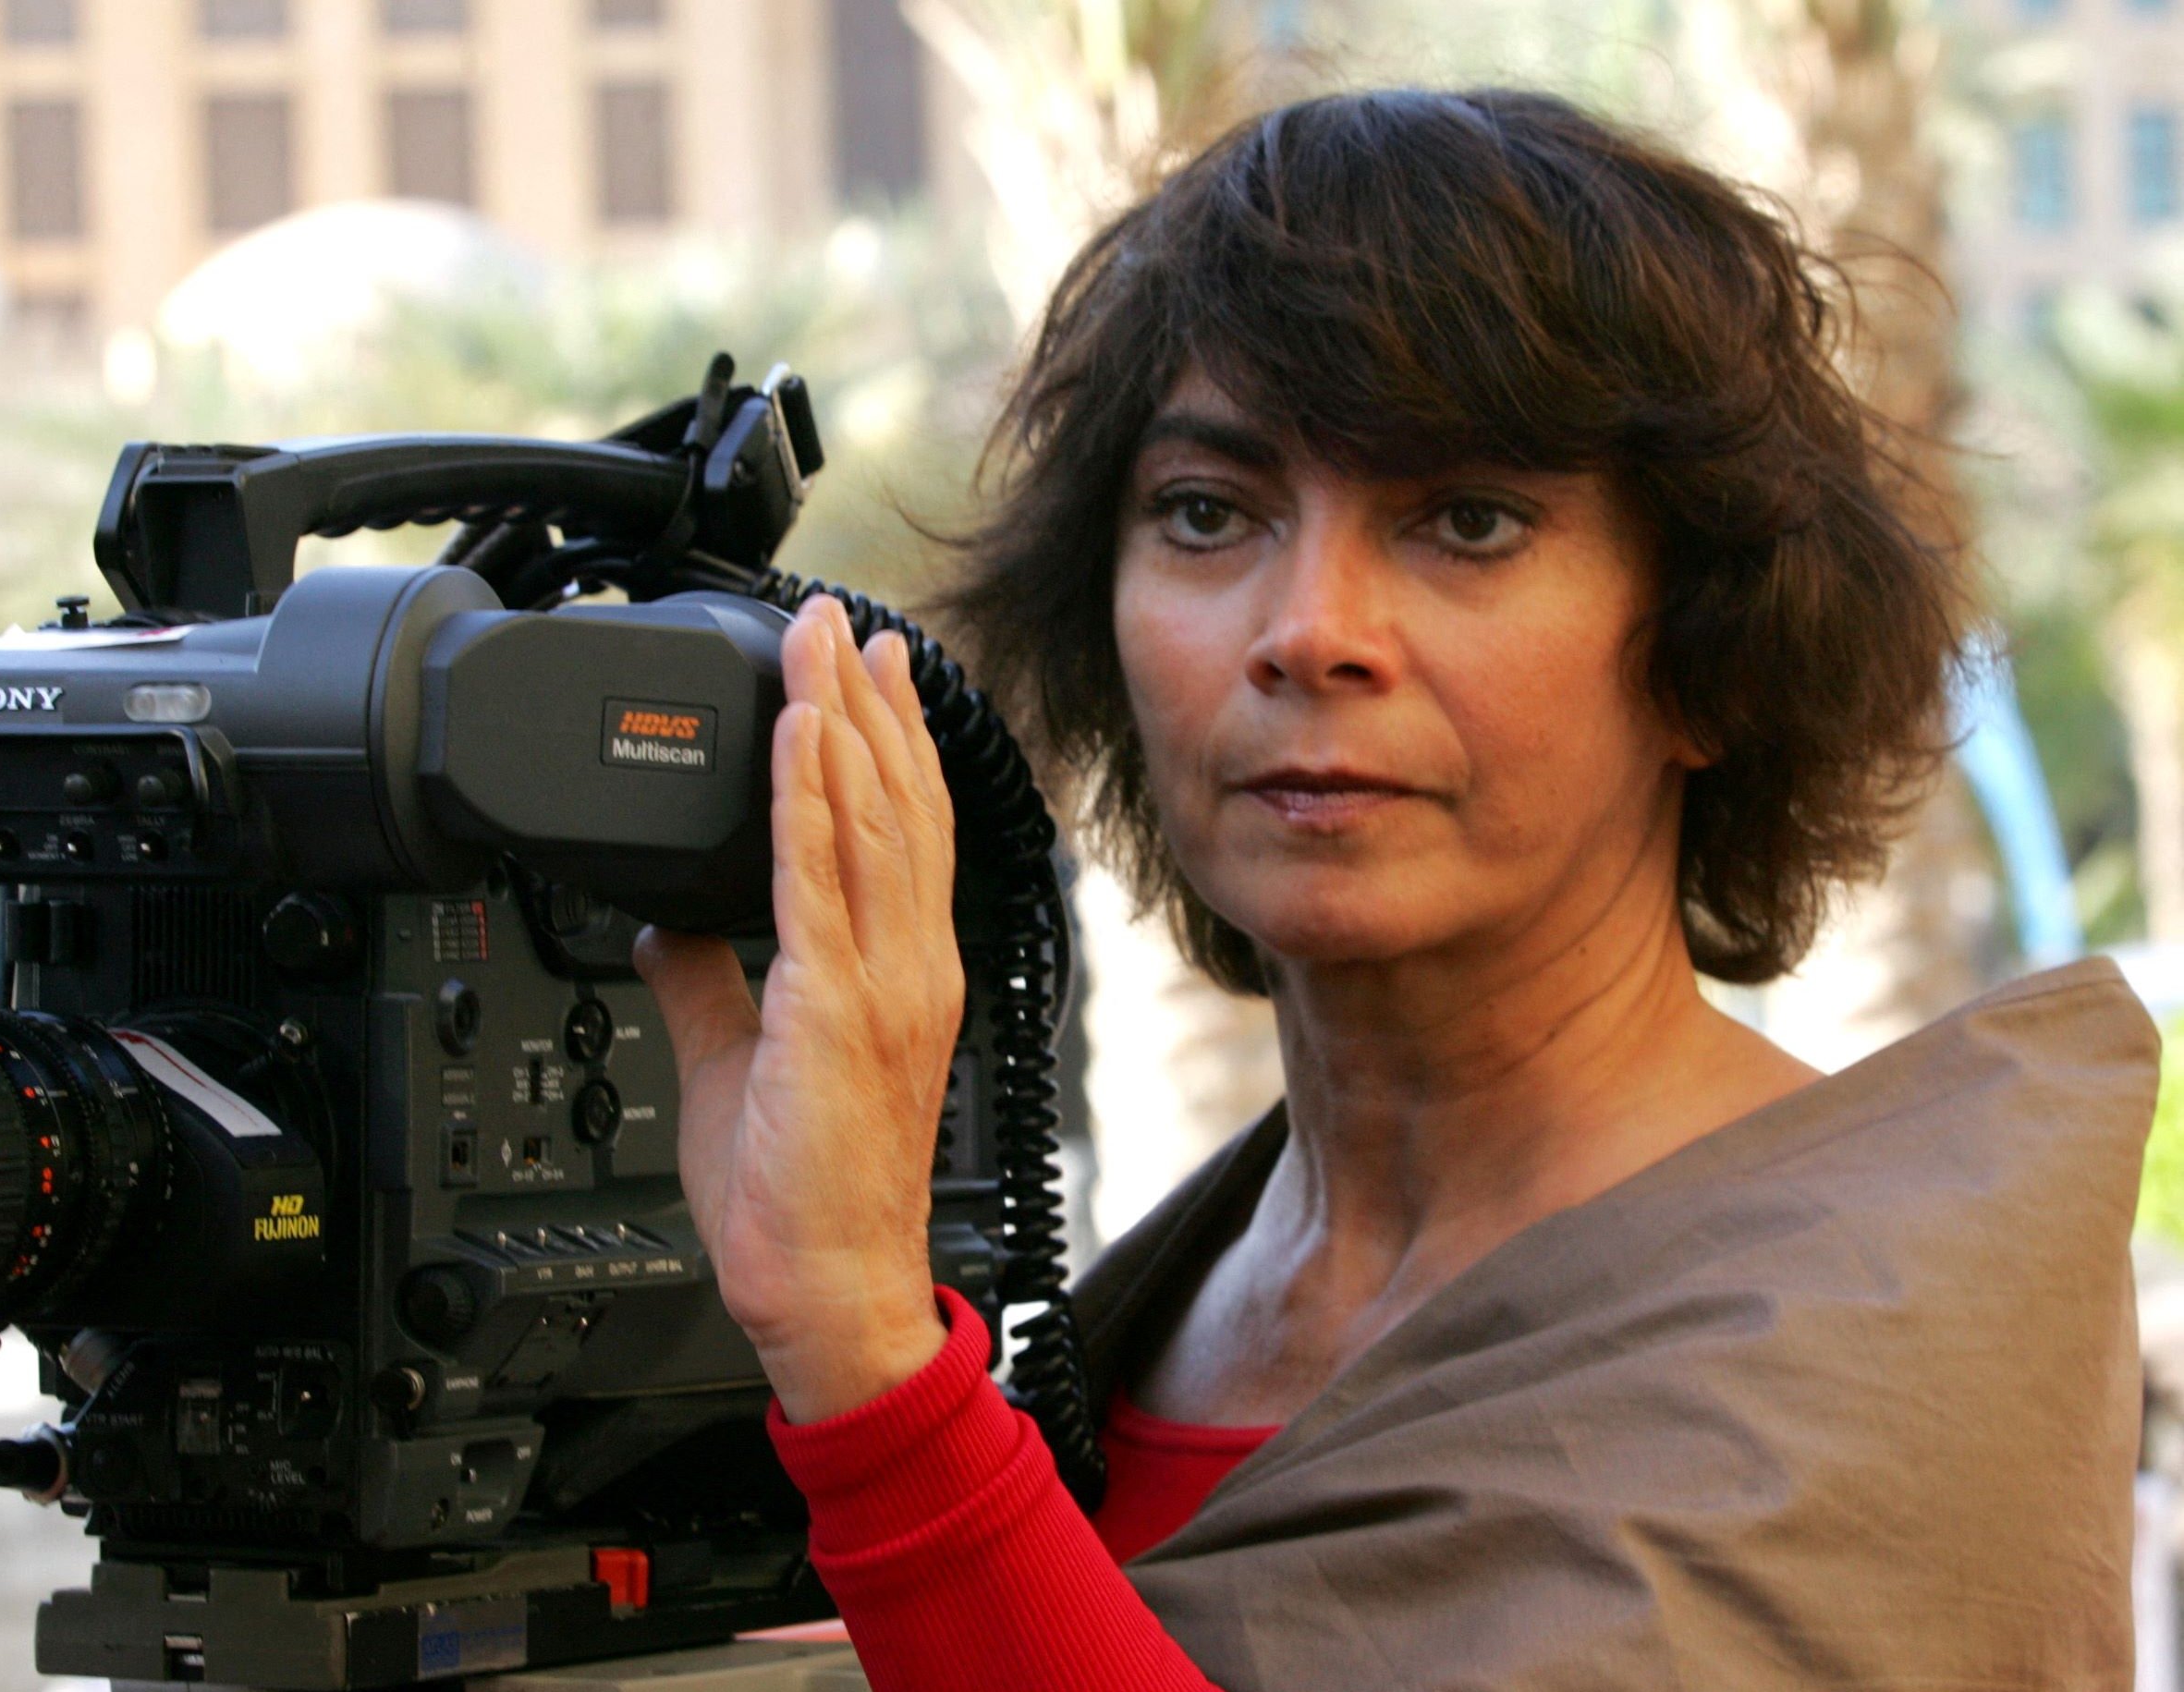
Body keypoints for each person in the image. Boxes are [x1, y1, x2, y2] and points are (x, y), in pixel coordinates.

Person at [630, 89, 2162, 1689]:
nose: (1308, 628)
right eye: (1207, 515)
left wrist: (876, 1369)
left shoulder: (1861, 1329)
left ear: (1709, 652)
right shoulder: (1150, 1315)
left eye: (1467, 521)